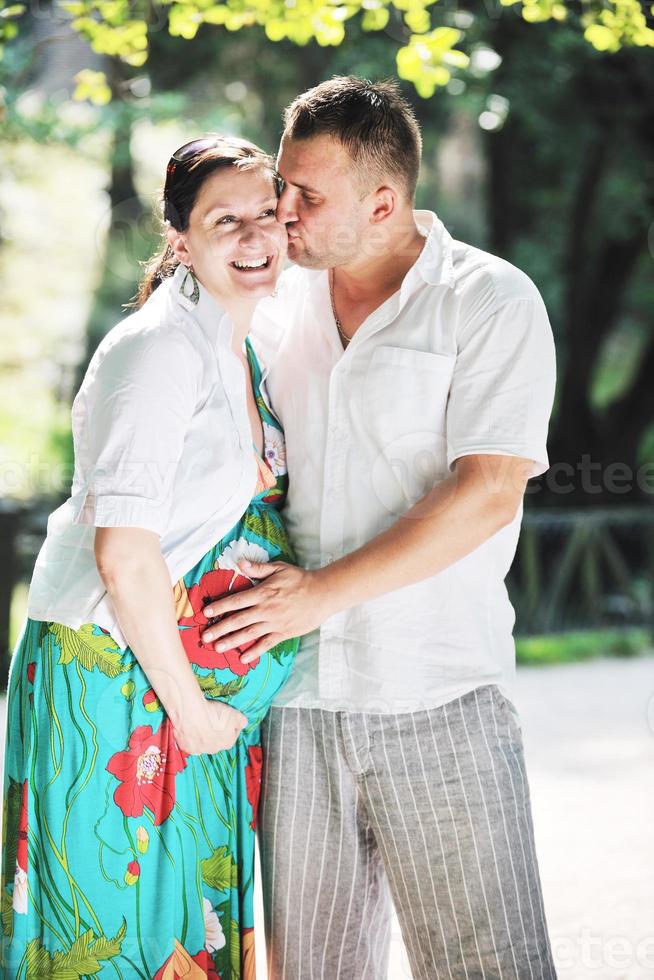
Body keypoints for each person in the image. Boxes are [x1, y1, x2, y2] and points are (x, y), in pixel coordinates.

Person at [200, 77, 559, 979]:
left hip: (441, 696)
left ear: (385, 201)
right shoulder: (271, 306)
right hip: (298, 704)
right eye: (283, 186)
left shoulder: (489, 300)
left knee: (492, 967)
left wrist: (320, 593)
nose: (282, 214)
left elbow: (487, 492)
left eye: (307, 197)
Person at [0, 135, 299, 979]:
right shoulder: (160, 352)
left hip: (175, 689)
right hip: (117, 677)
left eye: (267, 216)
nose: (254, 238)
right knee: (115, 934)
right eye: (225, 220)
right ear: (180, 239)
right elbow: (125, 555)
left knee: (181, 933)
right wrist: (194, 710)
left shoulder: (241, 341)